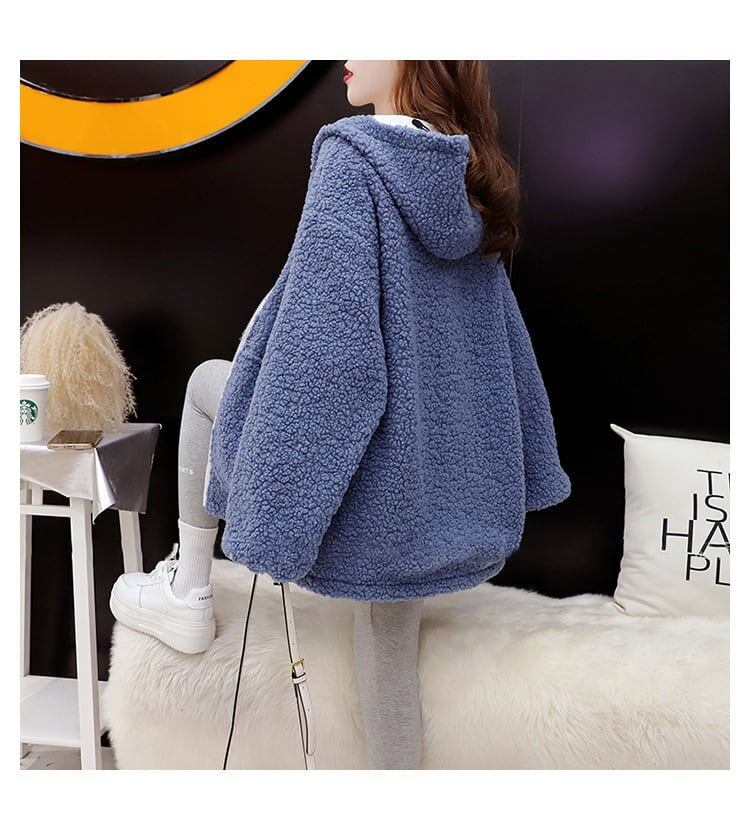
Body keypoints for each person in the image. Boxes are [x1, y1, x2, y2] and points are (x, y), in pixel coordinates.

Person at [109, 60, 571, 770]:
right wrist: (526, 463)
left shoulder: (355, 160)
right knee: (387, 646)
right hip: (421, 485)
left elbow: (329, 362)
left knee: (205, 384)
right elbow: (501, 349)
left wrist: (276, 523)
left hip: (365, 468)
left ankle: (189, 589)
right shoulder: (468, 180)